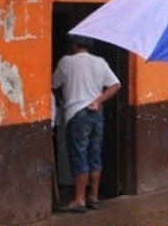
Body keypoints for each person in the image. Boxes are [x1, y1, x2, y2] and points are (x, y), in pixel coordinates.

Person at [52, 35, 121, 212]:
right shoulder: (100, 62)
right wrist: (98, 101)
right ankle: (94, 197)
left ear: (74, 45)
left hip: (76, 114)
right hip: (96, 114)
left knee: (79, 156)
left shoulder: (66, 62)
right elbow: (115, 85)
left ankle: (79, 200)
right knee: (94, 155)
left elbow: (54, 83)